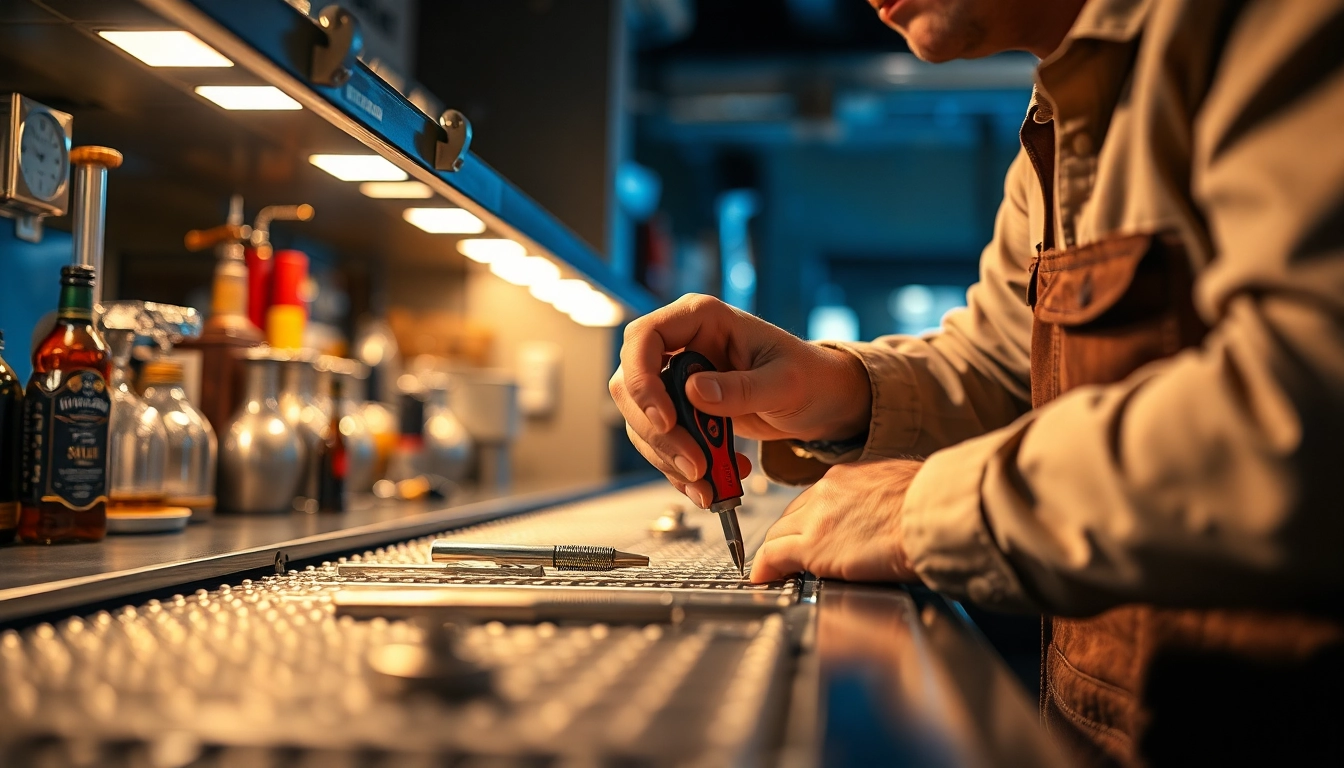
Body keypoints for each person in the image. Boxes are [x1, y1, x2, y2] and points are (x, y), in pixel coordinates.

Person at [610, 0, 1344, 764]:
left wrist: (922, 509)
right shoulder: (1056, 116)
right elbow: (1008, 367)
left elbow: (1304, 416)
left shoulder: (1270, 23)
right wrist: (833, 387)